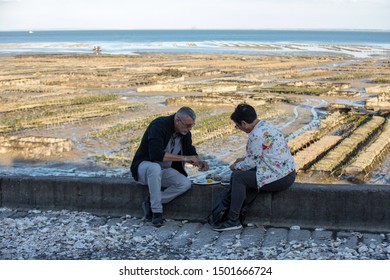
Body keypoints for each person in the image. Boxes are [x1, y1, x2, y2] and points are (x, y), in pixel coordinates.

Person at [213, 103, 296, 231]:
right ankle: (236, 214)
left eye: (237, 125)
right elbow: (258, 155)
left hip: (280, 177)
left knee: (238, 177)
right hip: (286, 173)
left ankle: (233, 220)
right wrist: (243, 160)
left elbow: (251, 163)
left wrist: (235, 166)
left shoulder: (255, 135)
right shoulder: (265, 125)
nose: (238, 128)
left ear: (244, 123)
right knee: (240, 174)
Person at [130, 107, 209, 227]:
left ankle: (151, 202)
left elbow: (189, 150)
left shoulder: (185, 133)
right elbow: (156, 154)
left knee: (185, 184)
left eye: (191, 126)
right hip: (144, 167)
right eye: (187, 125)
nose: (189, 129)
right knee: (155, 167)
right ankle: (157, 212)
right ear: (177, 120)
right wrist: (185, 159)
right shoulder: (159, 125)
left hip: (164, 170)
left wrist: (198, 161)